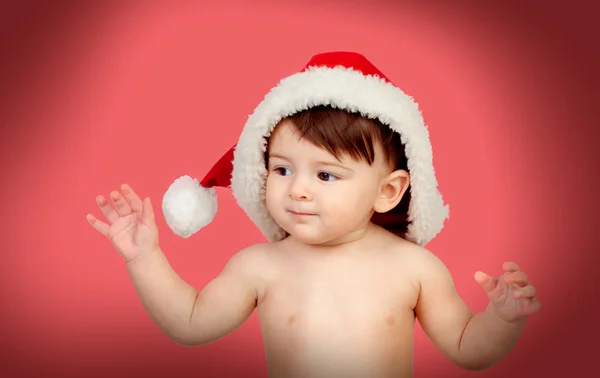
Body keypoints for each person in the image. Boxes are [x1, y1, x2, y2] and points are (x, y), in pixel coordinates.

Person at [86, 52, 540, 377]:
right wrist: (144, 257)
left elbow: (466, 348)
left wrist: (501, 320)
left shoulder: (413, 267)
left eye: (326, 176)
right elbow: (190, 322)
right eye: (282, 169)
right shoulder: (260, 266)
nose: (297, 189)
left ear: (387, 191)